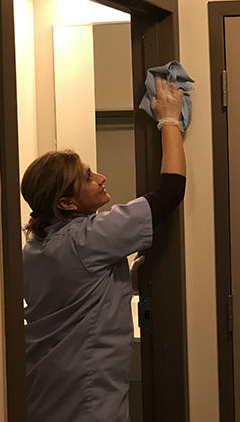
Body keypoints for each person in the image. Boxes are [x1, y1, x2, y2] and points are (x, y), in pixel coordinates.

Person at [20, 77, 186, 422]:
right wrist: (169, 120)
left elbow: (74, 293)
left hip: (44, 384)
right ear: (66, 202)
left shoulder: (35, 247)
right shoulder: (88, 238)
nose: (100, 177)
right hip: (86, 393)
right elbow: (169, 192)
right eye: (87, 177)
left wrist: (121, 274)